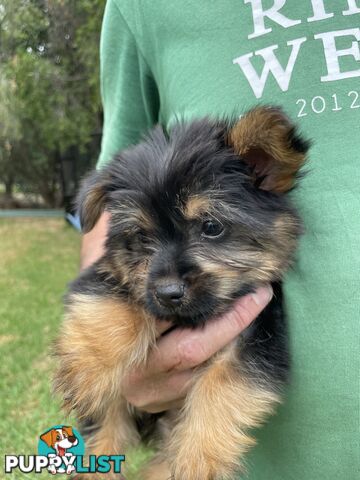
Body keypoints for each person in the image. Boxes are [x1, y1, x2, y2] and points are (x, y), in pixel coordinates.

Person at [81, 1, 359, 478]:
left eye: (210, 227)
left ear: (265, 169)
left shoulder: (256, 163)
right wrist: (108, 361)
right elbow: (110, 220)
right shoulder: (139, 9)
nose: (169, 280)